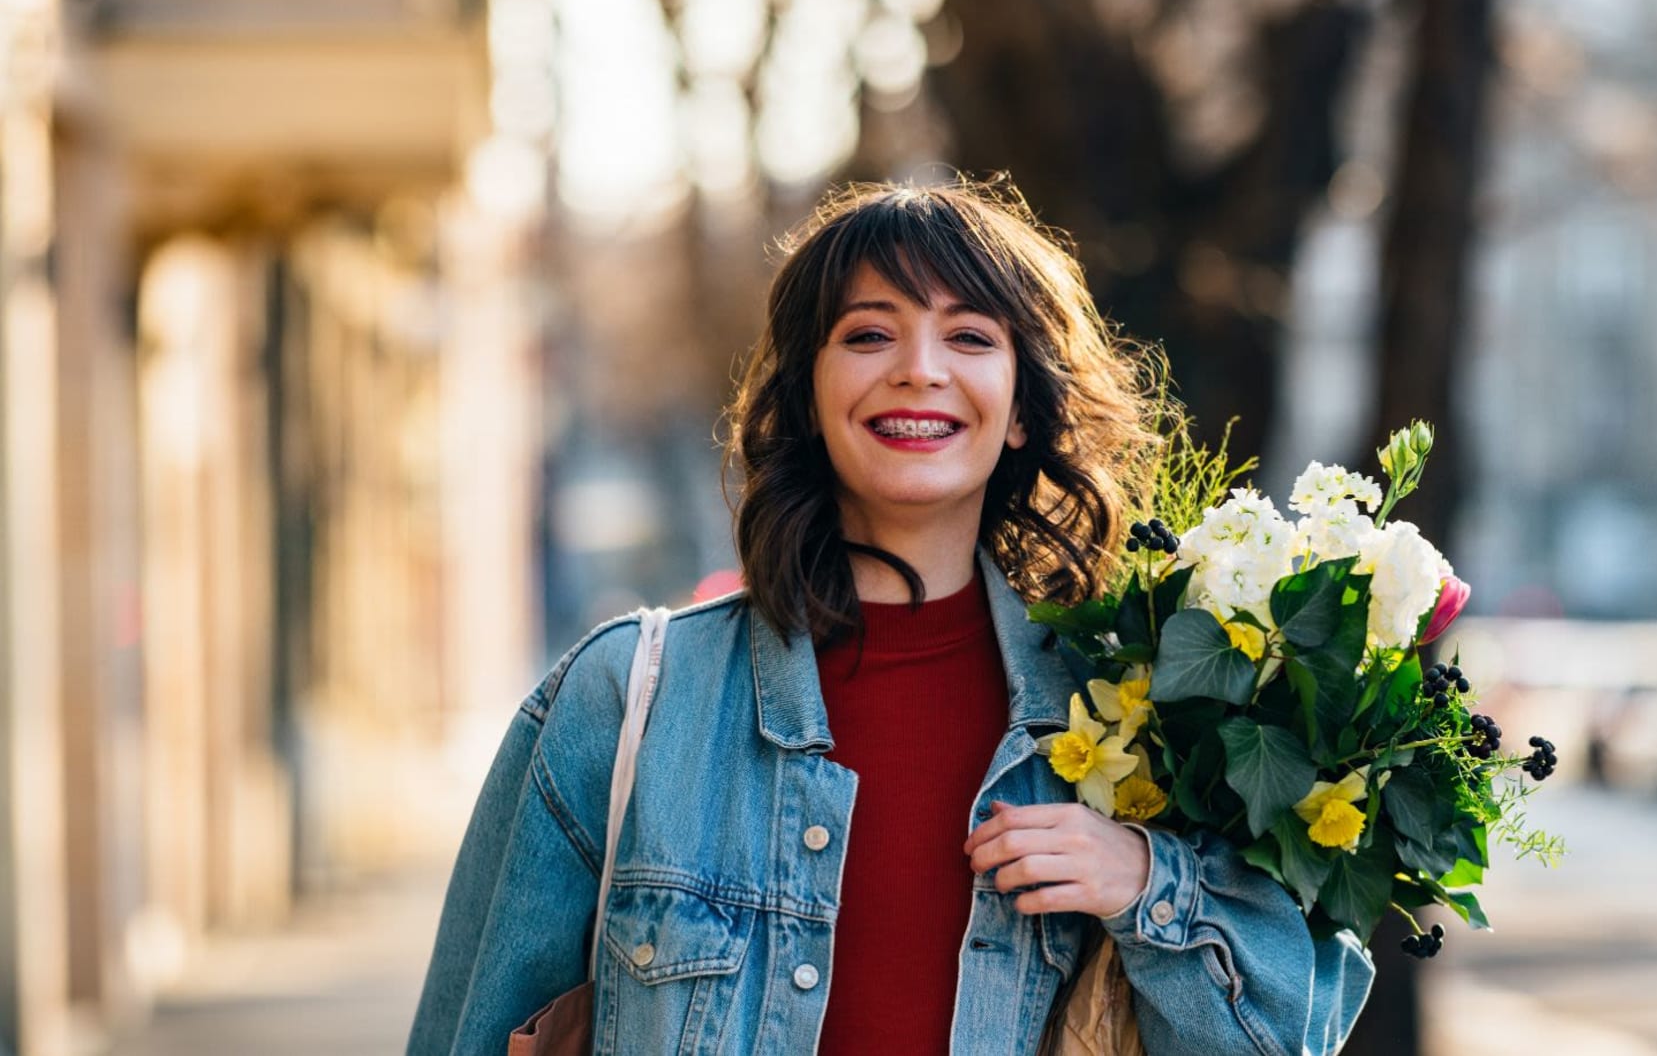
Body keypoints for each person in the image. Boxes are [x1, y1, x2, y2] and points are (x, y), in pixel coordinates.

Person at [406, 178, 1375, 1055]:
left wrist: (1143, 880)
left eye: (968, 336)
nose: (918, 369)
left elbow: (1284, 1034)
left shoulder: (1143, 713)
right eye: (868, 333)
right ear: (807, 391)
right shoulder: (626, 702)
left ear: (1022, 407)